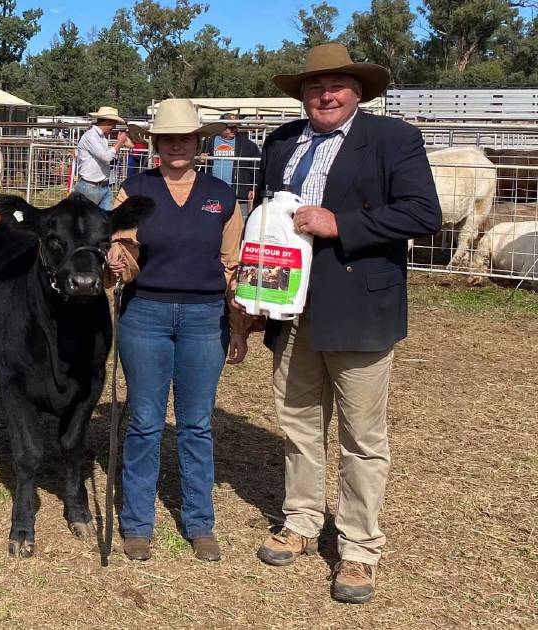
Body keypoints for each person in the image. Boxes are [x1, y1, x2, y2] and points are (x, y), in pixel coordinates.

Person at [248, 43, 441, 604]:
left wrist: (343, 224)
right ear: (301, 94)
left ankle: (358, 548)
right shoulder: (281, 141)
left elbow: (423, 212)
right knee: (299, 423)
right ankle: (302, 520)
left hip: (358, 304)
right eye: (314, 87)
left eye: (336, 86)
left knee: (361, 437)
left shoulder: (392, 139)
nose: (324, 95)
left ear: (358, 92)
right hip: (291, 304)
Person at [106, 98, 250, 564]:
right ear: (155, 144)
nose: (176, 146)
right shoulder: (133, 190)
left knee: (196, 423)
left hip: (205, 319)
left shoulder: (221, 196)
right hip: (145, 314)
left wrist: (240, 327)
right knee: (145, 422)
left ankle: (199, 522)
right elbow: (124, 254)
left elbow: (232, 266)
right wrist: (117, 261)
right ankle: (137, 526)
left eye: (184, 138)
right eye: (167, 139)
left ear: (198, 142)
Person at [75, 106, 132, 212]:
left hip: (101, 186)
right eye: (114, 123)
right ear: (107, 121)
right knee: (86, 222)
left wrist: (121, 144)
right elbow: (106, 157)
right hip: (90, 187)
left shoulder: (100, 137)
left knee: (105, 221)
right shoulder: (90, 136)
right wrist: (120, 142)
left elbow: (106, 155)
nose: (114, 126)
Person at [203, 113, 261, 217]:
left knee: (240, 223)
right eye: (230, 127)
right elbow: (199, 161)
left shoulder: (247, 144)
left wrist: (253, 187)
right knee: (213, 221)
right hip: (213, 192)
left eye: (236, 126)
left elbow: (256, 167)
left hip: (239, 193)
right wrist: (200, 158)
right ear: (221, 127)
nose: (234, 129)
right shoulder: (209, 141)